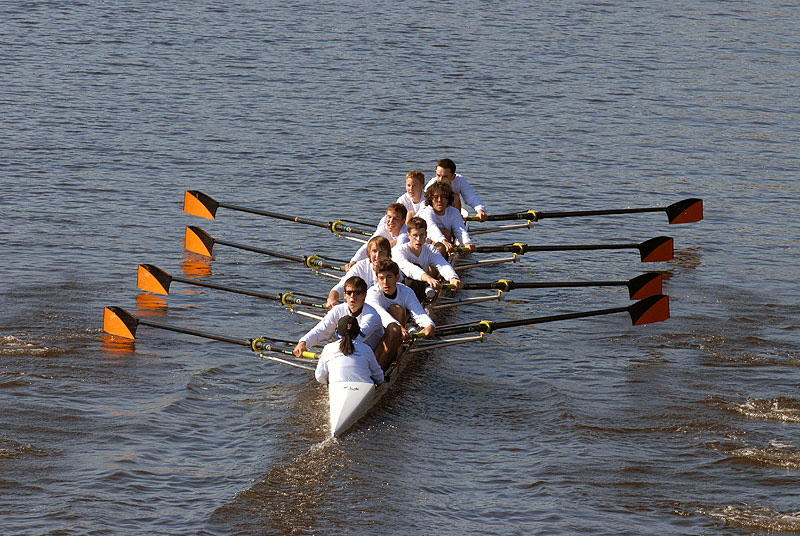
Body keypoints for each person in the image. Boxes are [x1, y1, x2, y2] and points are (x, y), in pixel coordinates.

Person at [294, 276, 384, 360]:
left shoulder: (371, 315)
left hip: (371, 354)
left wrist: (329, 353)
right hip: (350, 352)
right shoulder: (338, 310)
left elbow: (356, 339)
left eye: (357, 293)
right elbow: (321, 330)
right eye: (349, 293)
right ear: (344, 295)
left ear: (364, 295)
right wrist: (304, 342)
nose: (352, 296)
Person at [366, 259, 435, 369]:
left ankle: (381, 367)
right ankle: (376, 369)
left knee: (397, 310)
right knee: (395, 323)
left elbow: (418, 313)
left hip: (392, 334)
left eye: (389, 277)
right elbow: (381, 314)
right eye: (381, 278)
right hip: (373, 334)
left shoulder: (406, 291)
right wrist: (398, 326)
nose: (385, 282)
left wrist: (429, 325)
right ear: (377, 279)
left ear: (397, 278)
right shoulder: (372, 294)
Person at [393, 216, 463, 300]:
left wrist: (453, 278)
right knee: (411, 280)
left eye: (422, 235)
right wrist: (428, 278)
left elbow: (443, 265)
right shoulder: (398, 251)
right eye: (415, 235)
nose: (418, 239)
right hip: (398, 290)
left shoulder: (430, 249)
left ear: (426, 234)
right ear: (408, 235)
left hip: (418, 286)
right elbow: (410, 269)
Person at [326, 236, 400, 309]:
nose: (377, 256)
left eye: (382, 252)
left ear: (388, 255)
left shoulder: (394, 268)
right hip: (365, 307)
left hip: (387, 306)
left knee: (397, 310)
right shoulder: (359, 267)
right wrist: (332, 298)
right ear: (369, 254)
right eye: (374, 251)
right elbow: (343, 285)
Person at [315, 315, 384, 387]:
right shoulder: (366, 349)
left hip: (337, 388)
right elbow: (378, 376)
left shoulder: (328, 348)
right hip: (363, 389)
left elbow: (320, 377)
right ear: (358, 332)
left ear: (337, 332)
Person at [417, 181, 476, 255]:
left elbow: (460, 230)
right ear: (431, 199)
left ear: (448, 199)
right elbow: (432, 228)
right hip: (421, 244)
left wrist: (467, 243)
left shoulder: (453, 212)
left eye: (443, 197)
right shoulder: (426, 212)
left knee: (446, 234)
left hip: (441, 242)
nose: (439, 200)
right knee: (441, 246)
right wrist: (444, 241)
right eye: (436, 197)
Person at [345, 203, 409, 270]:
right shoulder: (383, 229)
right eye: (389, 217)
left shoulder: (405, 235)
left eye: (396, 218)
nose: (391, 221)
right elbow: (368, 245)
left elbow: (397, 253)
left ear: (403, 221)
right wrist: (354, 261)